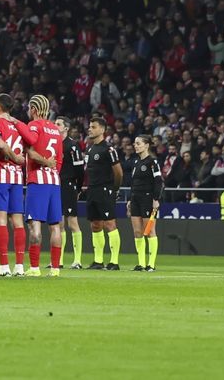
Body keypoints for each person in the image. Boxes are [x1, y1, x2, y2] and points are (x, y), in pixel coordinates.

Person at [10, 95, 65, 277]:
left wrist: (18, 124)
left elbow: (32, 150)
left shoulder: (34, 126)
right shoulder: (56, 130)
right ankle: (55, 268)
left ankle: (34, 268)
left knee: (35, 225)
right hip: (54, 183)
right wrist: (53, 169)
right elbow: (60, 158)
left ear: (33, 109)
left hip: (38, 181)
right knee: (55, 226)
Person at [0, 94, 29, 276]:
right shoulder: (18, 125)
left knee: (0, 220)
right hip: (17, 178)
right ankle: (19, 266)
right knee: (18, 221)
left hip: (0, 175)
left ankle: (4, 266)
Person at [84, 118, 124, 271]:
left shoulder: (108, 149)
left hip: (105, 189)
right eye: (90, 126)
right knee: (95, 225)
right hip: (92, 190)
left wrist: (114, 188)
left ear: (102, 130)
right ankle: (98, 261)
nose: (90, 129)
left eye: (93, 127)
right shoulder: (90, 149)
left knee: (109, 223)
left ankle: (114, 262)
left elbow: (119, 172)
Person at [129, 135, 163, 272]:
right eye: (135, 143)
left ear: (146, 145)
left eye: (138, 143)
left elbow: (158, 181)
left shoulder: (152, 162)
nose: (135, 146)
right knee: (137, 231)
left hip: (147, 199)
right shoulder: (136, 162)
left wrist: (156, 199)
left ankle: (151, 264)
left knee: (149, 231)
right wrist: (131, 199)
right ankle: (141, 263)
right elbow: (134, 183)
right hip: (135, 199)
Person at [58, 116, 88, 269]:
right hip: (55, 185)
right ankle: (59, 260)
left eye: (58, 124)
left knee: (72, 222)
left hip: (68, 185)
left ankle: (77, 260)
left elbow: (79, 170)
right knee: (59, 223)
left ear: (66, 128)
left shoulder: (72, 146)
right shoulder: (53, 144)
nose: (55, 126)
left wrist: (78, 187)